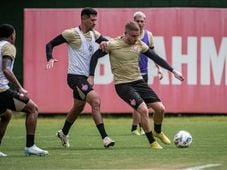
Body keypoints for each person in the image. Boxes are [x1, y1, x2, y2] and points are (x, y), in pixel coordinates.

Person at [88, 21, 184, 149]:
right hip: (123, 85)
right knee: (143, 109)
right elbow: (95, 57)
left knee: (160, 109)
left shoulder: (139, 44)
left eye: (137, 36)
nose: (135, 39)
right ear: (125, 33)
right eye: (133, 36)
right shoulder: (112, 44)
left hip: (138, 81)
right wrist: (91, 75)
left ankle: (157, 131)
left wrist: (173, 71)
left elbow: (155, 57)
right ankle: (152, 142)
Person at [45, 7, 115, 148]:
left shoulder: (94, 34)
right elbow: (50, 44)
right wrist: (50, 58)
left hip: (84, 78)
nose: (95, 22)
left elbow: (108, 44)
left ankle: (63, 132)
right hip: (74, 77)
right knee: (95, 100)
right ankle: (105, 138)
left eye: (96, 20)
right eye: (92, 19)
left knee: (78, 108)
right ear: (83, 18)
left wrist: (105, 43)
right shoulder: (71, 33)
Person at [0, 24, 48, 156]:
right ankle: (30, 146)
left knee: (6, 115)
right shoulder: (8, 47)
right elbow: (6, 69)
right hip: (2, 91)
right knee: (33, 109)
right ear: (12, 35)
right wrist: (20, 87)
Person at [131, 11, 163, 136]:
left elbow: (153, 54)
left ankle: (136, 127)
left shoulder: (148, 35)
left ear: (144, 22)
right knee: (139, 102)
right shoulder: (129, 35)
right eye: (137, 21)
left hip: (144, 73)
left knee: (141, 102)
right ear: (133, 21)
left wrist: (159, 68)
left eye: (141, 21)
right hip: (132, 74)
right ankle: (137, 127)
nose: (139, 23)